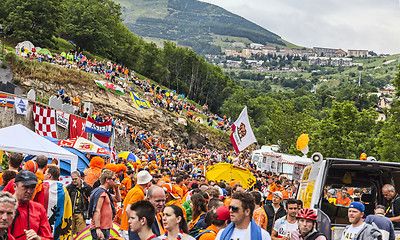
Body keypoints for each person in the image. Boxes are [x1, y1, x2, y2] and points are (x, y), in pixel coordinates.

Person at [9, 171, 53, 240]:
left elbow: (48, 238)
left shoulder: (39, 209)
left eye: (32, 187)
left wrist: (38, 238)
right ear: (15, 186)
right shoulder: (4, 207)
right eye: (25, 187)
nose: (29, 191)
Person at [89, 169, 122, 240]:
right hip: (101, 228)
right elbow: (97, 210)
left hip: (104, 227)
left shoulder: (105, 192)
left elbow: (118, 199)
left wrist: (116, 188)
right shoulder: (101, 193)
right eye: (113, 179)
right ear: (107, 180)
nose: (115, 181)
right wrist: (98, 228)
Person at [42, 165, 73, 240]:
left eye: (45, 173)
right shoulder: (64, 190)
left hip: (42, 227)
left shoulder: (41, 187)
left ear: (49, 176)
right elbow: (68, 209)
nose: (44, 175)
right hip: (58, 227)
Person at [120, 170, 152, 240]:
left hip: (125, 227)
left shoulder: (134, 190)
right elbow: (128, 209)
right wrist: (133, 223)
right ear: (147, 182)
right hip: (128, 228)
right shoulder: (138, 192)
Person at [67, 170, 93, 235]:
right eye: (73, 179)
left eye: (75, 179)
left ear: (80, 177)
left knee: (81, 233)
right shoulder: (69, 187)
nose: (74, 181)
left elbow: (92, 197)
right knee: (70, 232)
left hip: (81, 213)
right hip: (71, 213)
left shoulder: (87, 187)